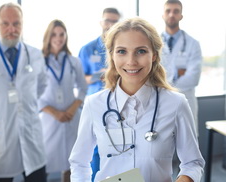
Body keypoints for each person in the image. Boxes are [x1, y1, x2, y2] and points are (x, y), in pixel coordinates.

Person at [69, 17, 205, 182]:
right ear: (112, 55)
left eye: (141, 51)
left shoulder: (176, 104)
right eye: (122, 51)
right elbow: (79, 163)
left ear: (154, 55)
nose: (131, 61)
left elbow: (193, 163)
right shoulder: (94, 104)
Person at [0, 3, 47, 182]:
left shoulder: (35, 55)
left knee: (36, 175)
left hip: (31, 138)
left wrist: (26, 104)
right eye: (5, 23)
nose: (11, 29)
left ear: (22, 25)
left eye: (16, 23)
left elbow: (42, 85)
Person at [38, 19, 87, 182]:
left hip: (71, 117)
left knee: (71, 162)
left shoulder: (74, 62)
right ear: (48, 36)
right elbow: (32, 93)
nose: (58, 38)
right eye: (54, 34)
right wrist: (54, 112)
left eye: (61, 34)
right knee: (44, 161)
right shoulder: (39, 61)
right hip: (49, 119)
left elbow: (82, 88)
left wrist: (72, 109)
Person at [78, 8, 121, 181]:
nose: (110, 25)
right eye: (108, 21)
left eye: (115, 21)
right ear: (101, 22)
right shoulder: (87, 49)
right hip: (95, 103)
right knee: (93, 149)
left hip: (118, 104)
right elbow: (81, 79)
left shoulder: (120, 48)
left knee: (118, 146)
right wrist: (102, 74)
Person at [161, 0, 202, 134]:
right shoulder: (153, 43)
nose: (172, 14)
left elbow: (193, 78)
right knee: (162, 144)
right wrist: (177, 78)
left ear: (181, 16)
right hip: (160, 101)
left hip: (186, 99)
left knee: (187, 143)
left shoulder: (192, 44)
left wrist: (164, 84)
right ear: (163, 15)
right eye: (168, 11)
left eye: (176, 11)